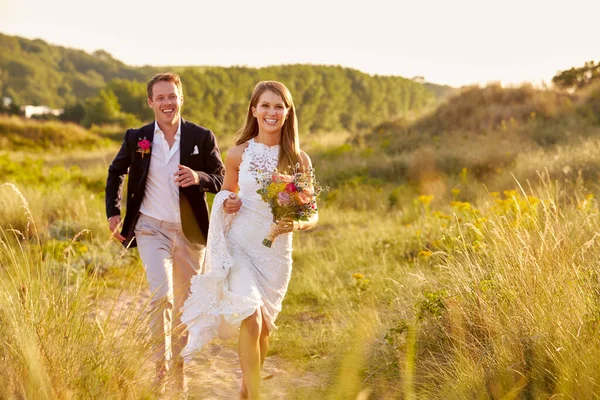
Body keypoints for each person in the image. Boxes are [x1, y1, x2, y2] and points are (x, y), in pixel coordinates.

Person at [181, 81, 318, 400]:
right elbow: (228, 193)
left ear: (287, 113)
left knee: (265, 327)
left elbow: (312, 215)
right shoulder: (238, 154)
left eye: (278, 106)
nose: (272, 112)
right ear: (254, 110)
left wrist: (295, 226)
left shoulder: (299, 160)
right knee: (251, 314)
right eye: (265, 105)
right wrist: (227, 202)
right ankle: (255, 394)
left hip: (275, 254)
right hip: (240, 245)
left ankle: (245, 389)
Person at [105, 72, 225, 393]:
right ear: (150, 102)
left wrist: (198, 176)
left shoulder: (202, 137)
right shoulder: (138, 138)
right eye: (160, 97)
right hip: (150, 229)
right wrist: (113, 212)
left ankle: (179, 367)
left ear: (181, 98)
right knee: (162, 297)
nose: (167, 103)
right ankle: (160, 364)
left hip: (190, 233)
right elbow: (116, 171)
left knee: (186, 303)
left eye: (172, 96)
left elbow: (221, 178)